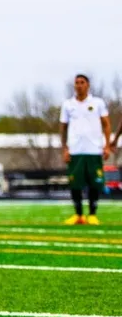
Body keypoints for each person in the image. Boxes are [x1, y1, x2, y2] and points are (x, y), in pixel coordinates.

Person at [61, 74, 112, 225]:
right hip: (75, 150)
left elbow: (106, 124)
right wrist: (65, 148)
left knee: (94, 183)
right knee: (75, 183)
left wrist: (107, 145)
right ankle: (78, 215)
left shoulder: (97, 103)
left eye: (82, 82)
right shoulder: (68, 105)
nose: (79, 85)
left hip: (94, 150)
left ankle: (92, 214)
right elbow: (63, 128)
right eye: (76, 83)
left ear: (88, 85)